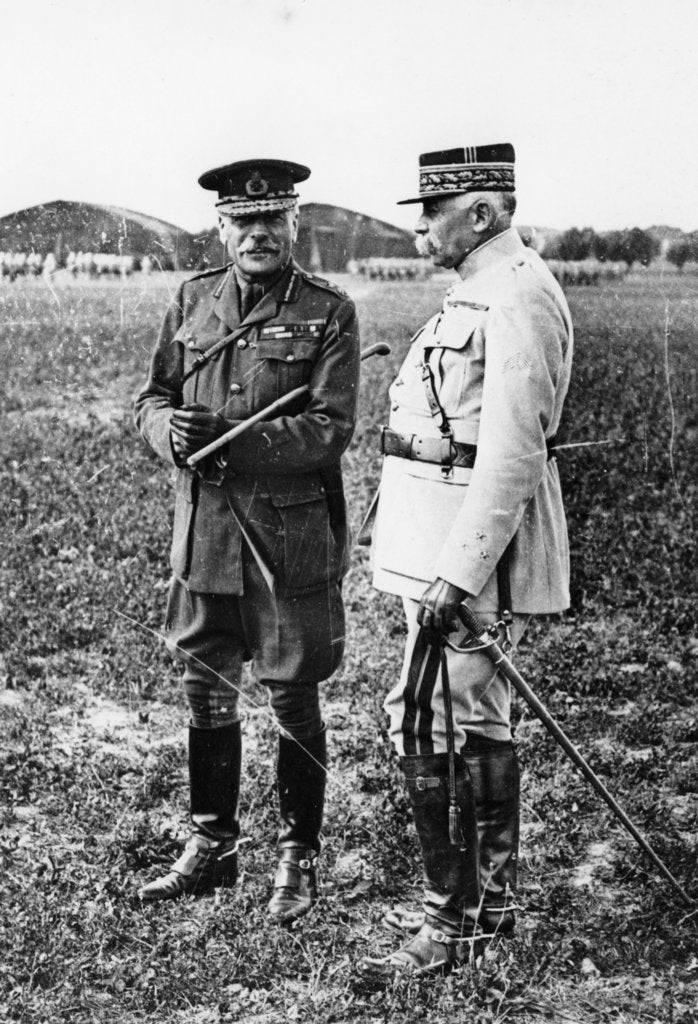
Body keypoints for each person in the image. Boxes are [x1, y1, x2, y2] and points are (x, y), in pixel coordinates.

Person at [133, 158, 360, 923]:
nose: (258, 234)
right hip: (207, 534)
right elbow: (151, 397)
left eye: (273, 221)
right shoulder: (192, 299)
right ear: (222, 228)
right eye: (243, 222)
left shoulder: (329, 310)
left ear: (294, 225)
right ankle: (213, 845)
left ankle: (298, 858)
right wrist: (172, 432)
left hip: (284, 536)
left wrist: (228, 439)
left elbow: (329, 429)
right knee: (206, 687)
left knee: (292, 695)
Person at [367, 143, 573, 972]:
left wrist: (459, 570)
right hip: (436, 544)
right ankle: (483, 917)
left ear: (482, 214)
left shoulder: (519, 294)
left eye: (433, 210)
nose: (419, 226)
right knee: (473, 720)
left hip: (462, 557)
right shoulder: (480, 289)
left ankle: (452, 923)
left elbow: (513, 454)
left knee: (421, 718)